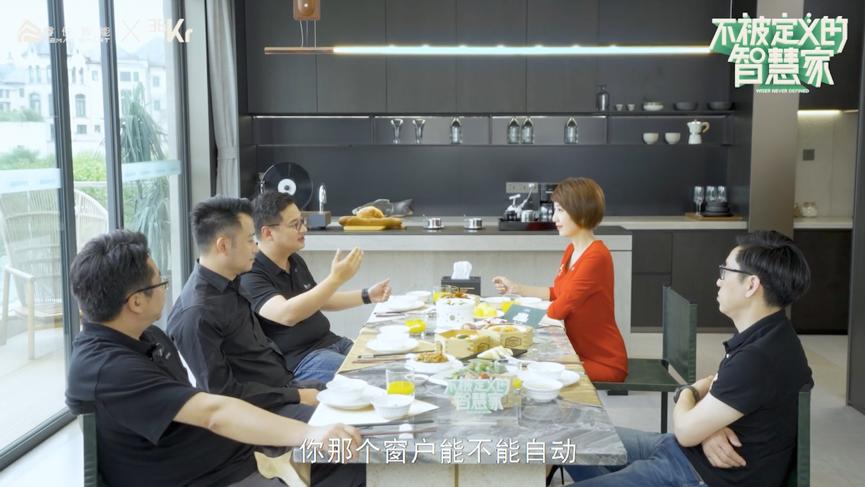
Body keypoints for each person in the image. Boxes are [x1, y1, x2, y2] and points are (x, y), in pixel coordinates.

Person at [66, 230, 365, 487]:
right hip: (210, 479)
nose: (166, 291)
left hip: (236, 459)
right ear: (135, 302)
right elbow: (213, 411)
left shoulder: (147, 337)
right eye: (160, 283)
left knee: (354, 455)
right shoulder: (108, 368)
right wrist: (311, 434)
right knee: (355, 456)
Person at [565, 230, 814, 487]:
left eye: (725, 272)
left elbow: (686, 428)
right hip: (683, 452)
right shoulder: (771, 333)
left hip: (695, 475)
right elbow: (716, 392)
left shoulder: (757, 359)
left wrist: (688, 392)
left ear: (751, 285)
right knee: (569, 436)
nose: (718, 281)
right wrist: (707, 429)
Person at [167, 197, 316, 420]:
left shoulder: (232, 281)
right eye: (250, 240)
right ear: (223, 245)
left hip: (281, 386)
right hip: (257, 413)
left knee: (358, 390)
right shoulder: (196, 313)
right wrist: (296, 396)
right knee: (344, 427)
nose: (256, 248)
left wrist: (295, 391)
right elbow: (223, 396)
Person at [240, 190, 392, 382]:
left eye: (302, 221)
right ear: (268, 233)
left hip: (332, 342)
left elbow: (320, 299)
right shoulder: (251, 272)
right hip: (303, 360)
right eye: (295, 225)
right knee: (376, 379)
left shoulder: (294, 260)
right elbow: (286, 315)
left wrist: (367, 295)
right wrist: (335, 279)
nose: (304, 229)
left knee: (390, 366)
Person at [492, 177, 628, 382]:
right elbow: (557, 293)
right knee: (523, 363)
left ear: (582, 211)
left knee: (527, 369)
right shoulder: (572, 249)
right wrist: (516, 288)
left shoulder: (596, 257)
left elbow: (558, 310)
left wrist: (514, 314)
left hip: (602, 361)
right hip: (575, 352)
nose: (554, 217)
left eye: (561, 210)